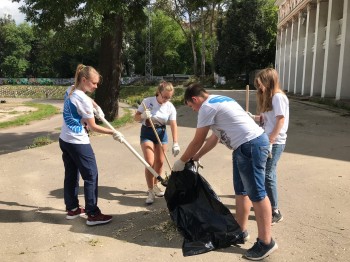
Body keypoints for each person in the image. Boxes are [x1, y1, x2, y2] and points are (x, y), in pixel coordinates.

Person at [172, 83, 278, 260]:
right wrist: (196, 157)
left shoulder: (207, 107)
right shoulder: (221, 100)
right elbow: (214, 138)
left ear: (195, 99)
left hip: (250, 146)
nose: (194, 110)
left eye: (191, 107)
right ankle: (241, 231)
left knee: (257, 194)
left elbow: (198, 139)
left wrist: (182, 161)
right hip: (243, 147)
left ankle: (267, 242)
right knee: (241, 191)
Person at [59, 64, 124, 226]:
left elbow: (88, 99)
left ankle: (72, 209)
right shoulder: (82, 99)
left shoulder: (71, 89)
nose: (96, 86)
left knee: (72, 174)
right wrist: (113, 132)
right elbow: (93, 127)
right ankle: (93, 214)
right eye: (93, 83)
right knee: (91, 175)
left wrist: (97, 106)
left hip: (64, 139)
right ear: (84, 80)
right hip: (78, 142)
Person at [248, 68, 289, 225]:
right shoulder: (271, 98)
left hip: (276, 141)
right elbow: (267, 119)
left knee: (268, 174)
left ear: (269, 82)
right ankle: (265, 202)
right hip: (267, 139)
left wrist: (271, 140)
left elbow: (280, 120)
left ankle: (275, 210)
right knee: (263, 172)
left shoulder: (278, 97)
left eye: (260, 84)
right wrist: (252, 117)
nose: (259, 88)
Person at [134, 81, 180, 205]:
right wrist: (143, 115)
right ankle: (150, 191)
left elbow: (174, 125)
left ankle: (155, 185)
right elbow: (136, 117)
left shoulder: (170, 107)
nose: (166, 99)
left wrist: (176, 142)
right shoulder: (147, 101)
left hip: (161, 133)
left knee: (159, 162)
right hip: (147, 132)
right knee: (149, 162)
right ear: (158, 93)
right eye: (164, 96)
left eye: (168, 97)